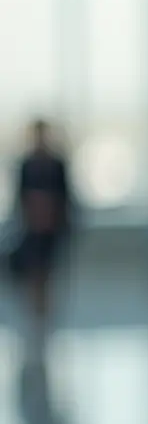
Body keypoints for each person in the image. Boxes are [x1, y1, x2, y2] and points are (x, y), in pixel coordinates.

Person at [7, 119, 72, 344]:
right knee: (32, 272)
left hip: (52, 228)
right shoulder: (26, 163)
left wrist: (55, 216)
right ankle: (34, 316)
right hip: (31, 227)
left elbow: (67, 197)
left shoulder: (57, 163)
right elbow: (19, 197)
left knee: (47, 273)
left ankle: (46, 317)